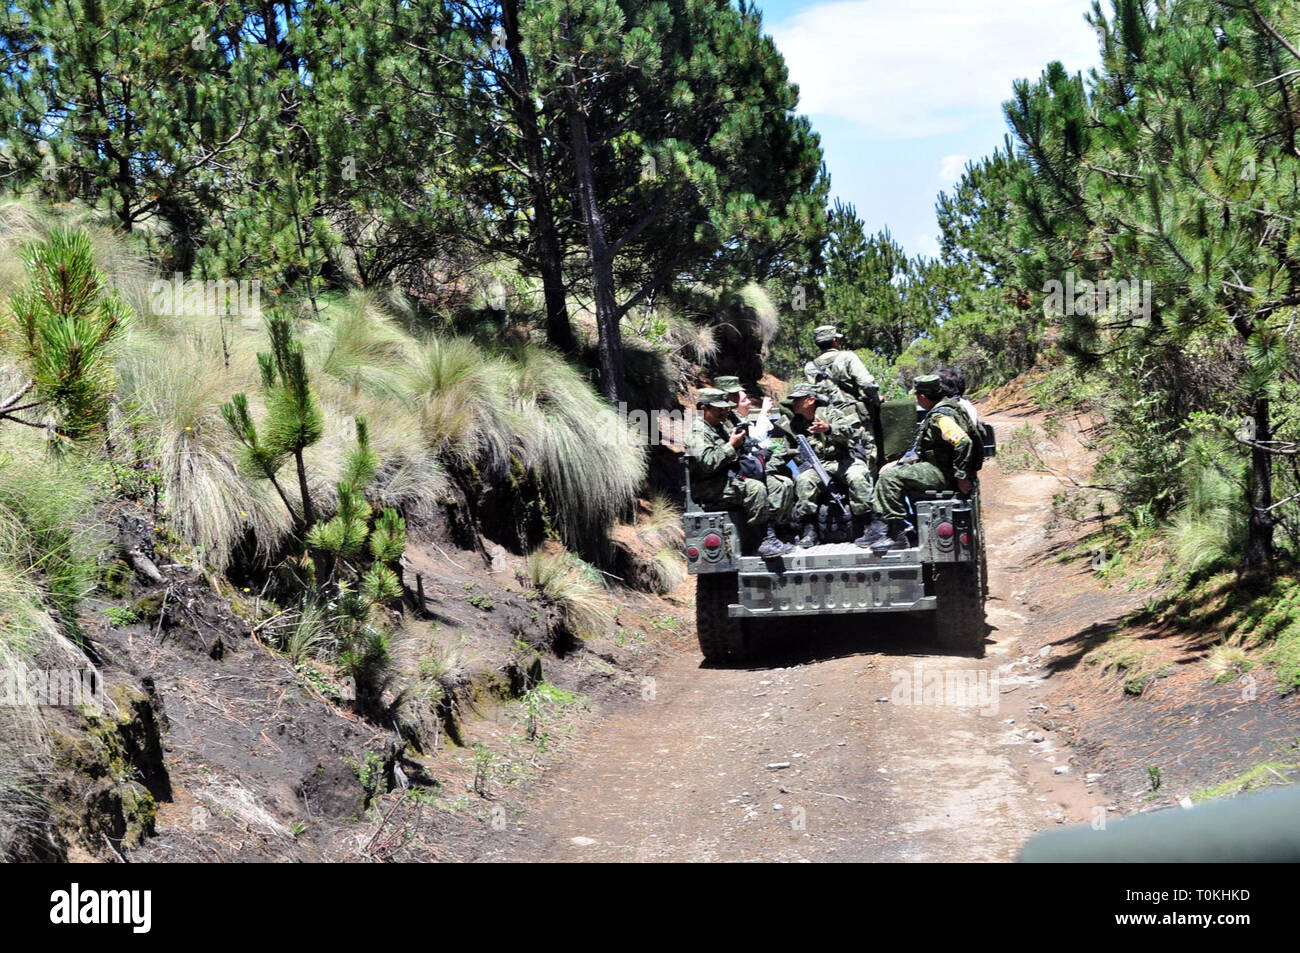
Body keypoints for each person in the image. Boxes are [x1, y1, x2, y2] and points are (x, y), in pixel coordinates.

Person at [864, 374, 976, 551]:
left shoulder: (941, 417)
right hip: (940, 467)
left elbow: (963, 442)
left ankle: (897, 535)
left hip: (942, 472)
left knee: (889, 478)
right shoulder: (947, 407)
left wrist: (960, 476)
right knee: (893, 472)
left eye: (917, 397)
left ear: (923, 397)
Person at [770, 383, 887, 548]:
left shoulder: (830, 413)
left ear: (811, 400)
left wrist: (829, 428)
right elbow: (784, 449)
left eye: (798, 399)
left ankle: (872, 525)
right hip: (818, 464)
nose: (794, 403)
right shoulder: (795, 424)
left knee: (857, 477)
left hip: (844, 460)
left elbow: (848, 432)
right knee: (804, 480)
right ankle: (809, 530)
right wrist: (769, 468)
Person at [686, 388, 794, 557]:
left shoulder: (718, 426)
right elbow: (708, 463)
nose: (724, 412)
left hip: (728, 476)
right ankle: (761, 541)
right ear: (703, 408)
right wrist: (731, 445)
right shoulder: (698, 432)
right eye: (718, 409)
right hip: (710, 485)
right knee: (755, 489)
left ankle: (774, 532)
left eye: (725, 408)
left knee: (778, 485)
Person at [805, 325, 880, 474]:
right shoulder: (847, 357)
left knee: (835, 459)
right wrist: (875, 400)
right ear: (834, 341)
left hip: (826, 420)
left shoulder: (810, 367)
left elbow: (812, 394)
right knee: (866, 457)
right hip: (853, 417)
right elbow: (867, 383)